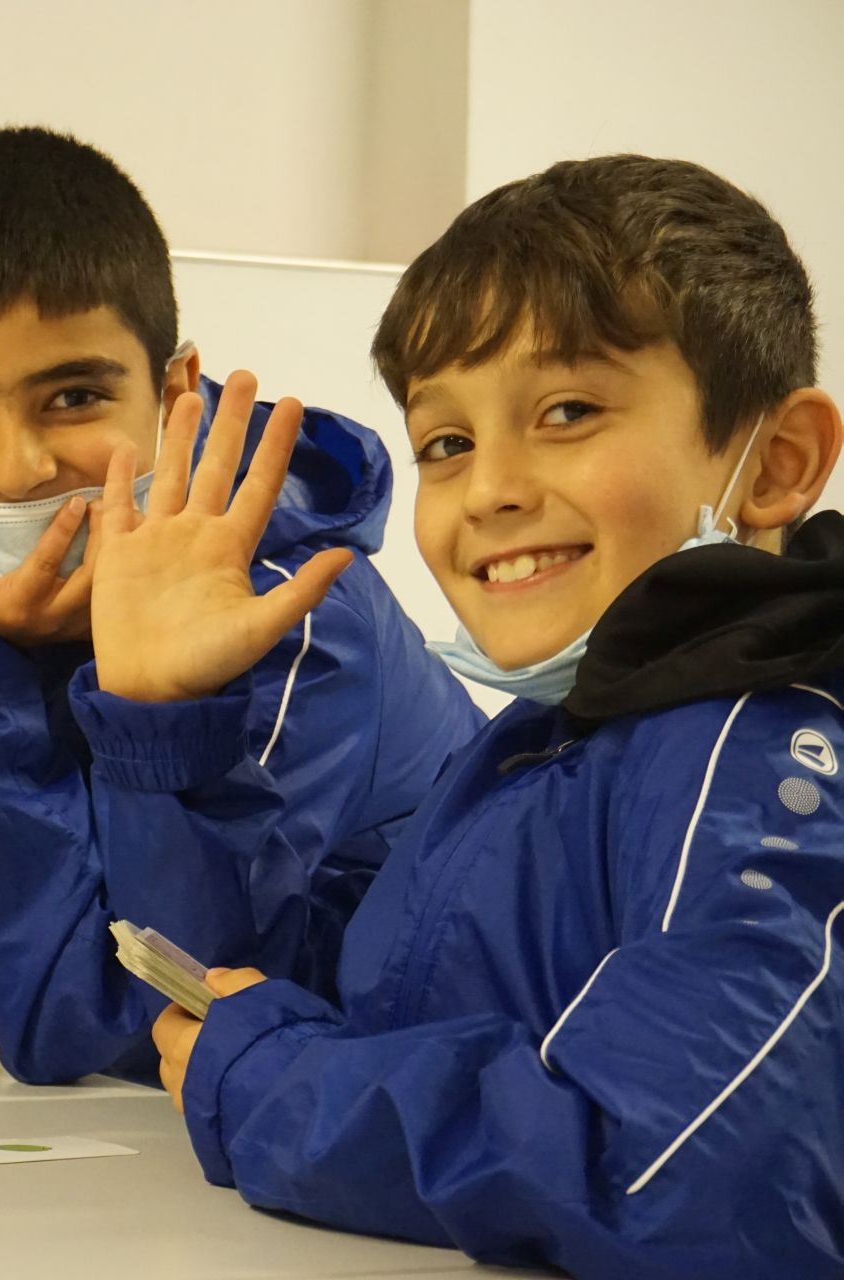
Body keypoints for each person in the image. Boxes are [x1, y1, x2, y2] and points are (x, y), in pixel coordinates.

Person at [135, 156, 844, 1276]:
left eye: (568, 412)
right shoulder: (537, 741)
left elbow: (679, 1174)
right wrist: (165, 720)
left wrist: (274, 1081)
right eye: (447, 443)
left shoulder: (764, 758)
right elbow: (366, 1005)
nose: (490, 489)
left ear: (778, 463)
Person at [0, 127, 483, 1084]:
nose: (17, 469)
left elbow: (121, 1024)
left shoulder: (284, 613)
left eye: (74, 397)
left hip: (398, 1105)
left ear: (173, 390)